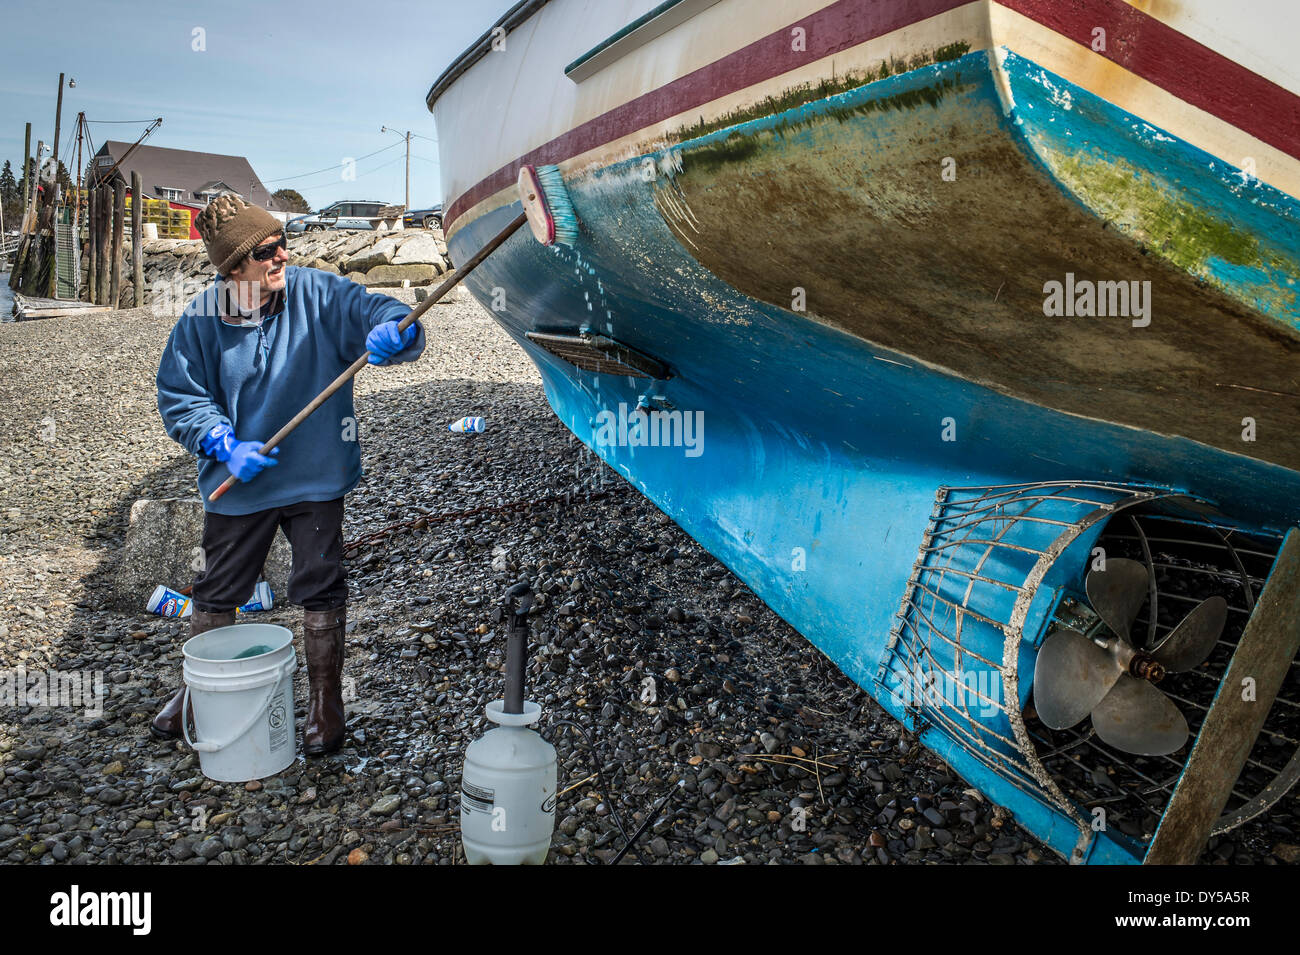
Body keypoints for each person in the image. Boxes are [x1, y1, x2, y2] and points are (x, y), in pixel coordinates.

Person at [151, 195, 424, 755]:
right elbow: (180, 397)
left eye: (282, 244)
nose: (282, 257)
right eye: (267, 252)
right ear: (233, 269)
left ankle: (326, 703)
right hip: (240, 481)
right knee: (217, 590)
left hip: (316, 477)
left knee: (320, 586)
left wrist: (397, 329)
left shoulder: (318, 293)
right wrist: (221, 443)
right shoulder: (201, 318)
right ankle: (199, 688)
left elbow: (379, 311)